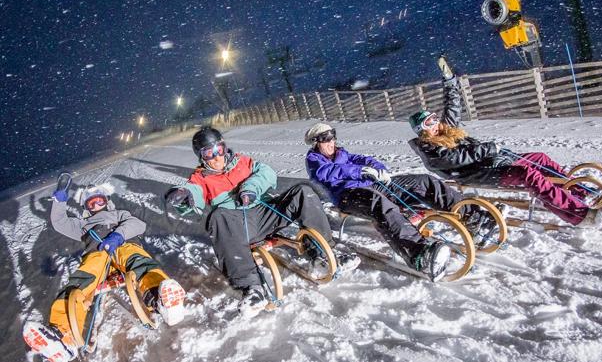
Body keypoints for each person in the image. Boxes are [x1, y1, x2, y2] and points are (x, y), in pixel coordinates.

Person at [165, 127, 359, 317]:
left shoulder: (242, 161)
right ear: (201, 157)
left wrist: (250, 188)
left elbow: (266, 173)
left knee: (303, 192)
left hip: (265, 212)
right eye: (209, 153)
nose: (217, 157)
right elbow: (194, 194)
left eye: (219, 150)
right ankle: (251, 288)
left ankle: (321, 254)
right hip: (237, 225)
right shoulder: (200, 178)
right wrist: (185, 196)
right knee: (217, 217)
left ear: (224, 147)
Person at [407, 55, 602, 228]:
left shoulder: (445, 130)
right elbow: (456, 158)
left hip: (493, 162)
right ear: (422, 130)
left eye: (434, 117)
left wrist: (450, 81)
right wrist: (487, 149)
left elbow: (452, 106)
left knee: (539, 158)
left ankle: (580, 193)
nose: (435, 122)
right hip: (477, 174)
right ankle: (580, 216)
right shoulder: (429, 149)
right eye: (429, 122)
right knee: (528, 175)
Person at [304, 123, 491, 282]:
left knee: (425, 181)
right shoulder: (313, 160)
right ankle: (418, 254)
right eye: (325, 139)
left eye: (332, 137)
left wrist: (378, 169)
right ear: (315, 142)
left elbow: (364, 160)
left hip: (375, 186)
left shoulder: (343, 153)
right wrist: (358, 172)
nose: (331, 142)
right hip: (348, 195)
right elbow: (327, 173)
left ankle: (472, 216)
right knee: (379, 203)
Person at [23, 183, 186, 362]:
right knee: (83, 278)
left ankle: (160, 298)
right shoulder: (83, 224)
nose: (95, 206)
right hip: (98, 253)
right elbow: (60, 222)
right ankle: (62, 335)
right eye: (90, 204)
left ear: (106, 201)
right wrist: (59, 202)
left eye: (99, 201)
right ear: (86, 208)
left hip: (123, 245)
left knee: (138, 260)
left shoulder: (119, 214)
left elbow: (138, 224)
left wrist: (119, 235)